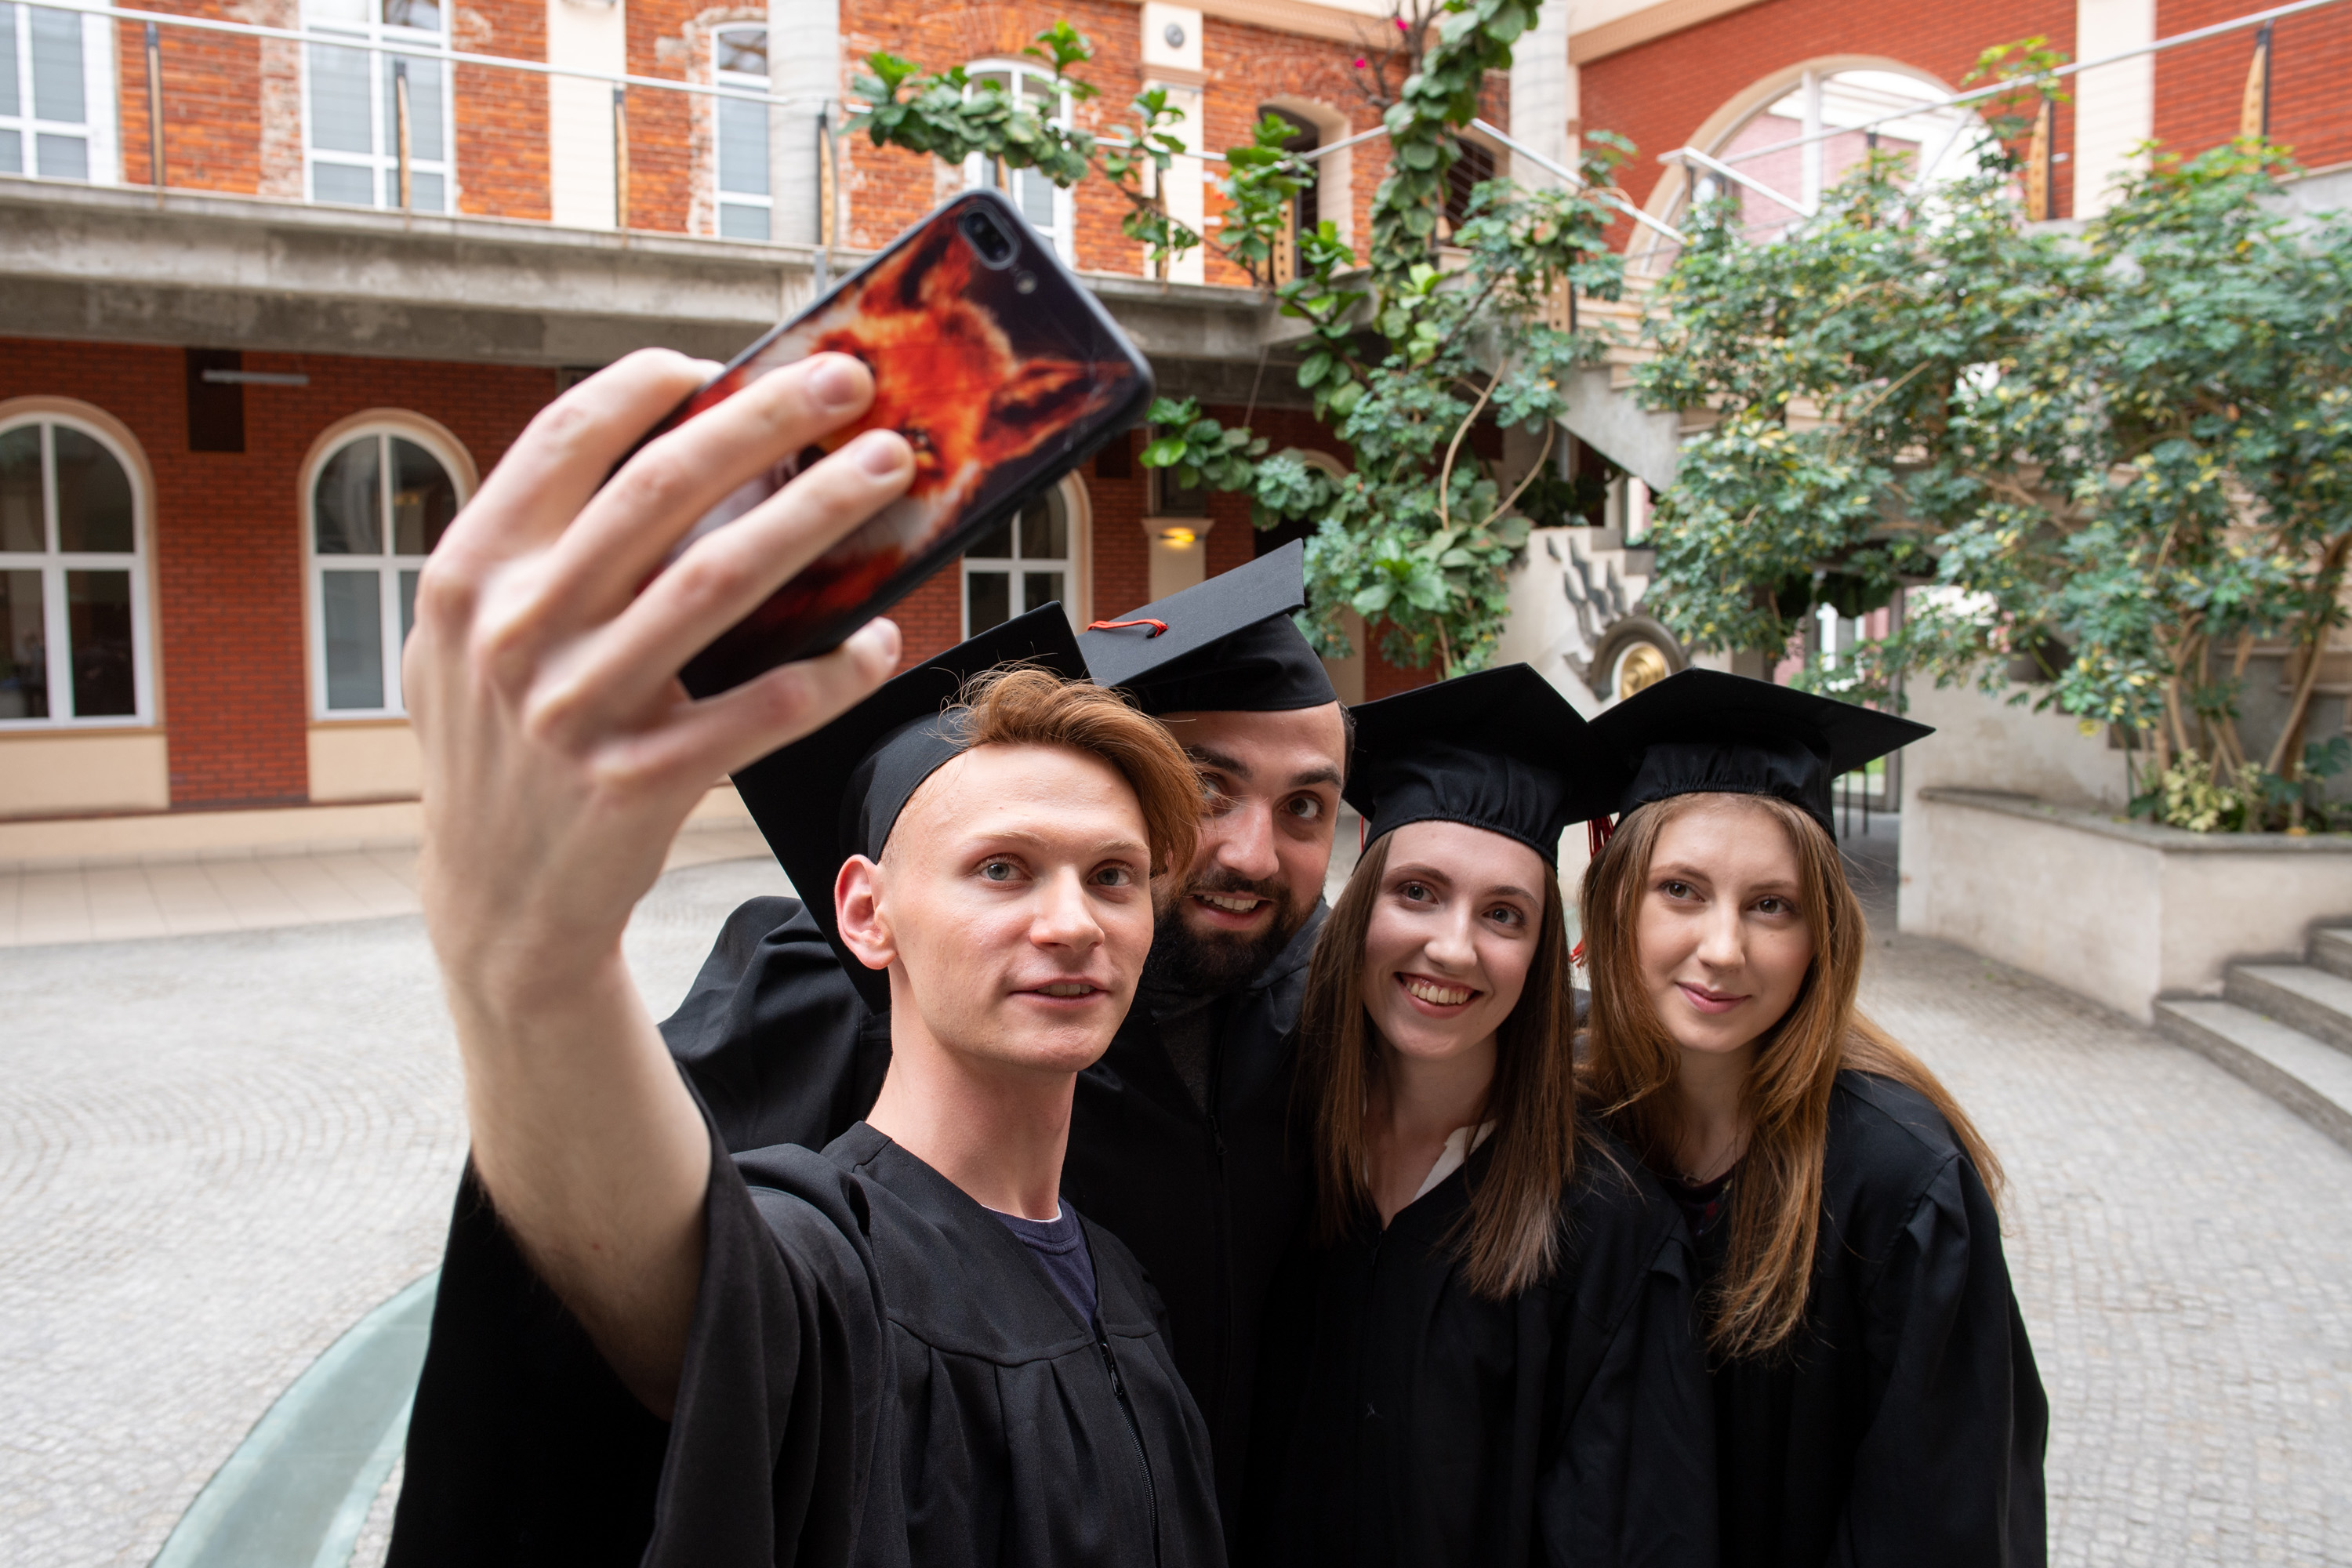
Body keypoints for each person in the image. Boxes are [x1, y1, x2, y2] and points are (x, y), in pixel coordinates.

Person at [384, 348, 1225, 1566]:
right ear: (865, 914)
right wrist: (528, 952)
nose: (1071, 921)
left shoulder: (1123, 1284)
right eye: (1002, 869)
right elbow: (654, 1263)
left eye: (1113, 877)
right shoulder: (823, 1266)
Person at [664, 540, 1352, 1523]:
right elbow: (654, 1256)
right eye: (1210, 789)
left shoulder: (1326, 1014)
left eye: (1307, 807)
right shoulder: (855, 991)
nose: (1254, 854)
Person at [1241, 665, 1715, 1566]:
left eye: (1504, 913)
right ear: (1361, 907)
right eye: (1417, 891)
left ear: (1541, 954)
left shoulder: (1606, 1227)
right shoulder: (1277, 1143)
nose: (1453, 946)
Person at [1575, 668, 2048, 1567]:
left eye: (1771, 905)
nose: (1723, 947)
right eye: (1681, 889)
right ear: (1615, 901)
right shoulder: (1573, 1123)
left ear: (1820, 933)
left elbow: (1944, 1524)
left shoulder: (1901, 1185)